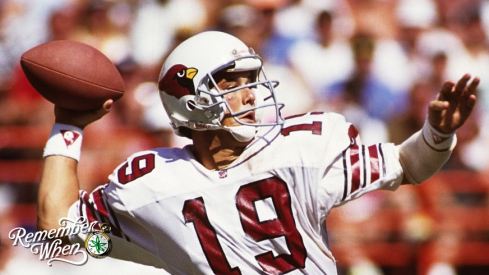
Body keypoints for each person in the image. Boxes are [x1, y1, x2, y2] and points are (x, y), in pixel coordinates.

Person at [37, 31, 479, 274]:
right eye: (234, 85)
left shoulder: (302, 148)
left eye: (253, 81)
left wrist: (436, 133)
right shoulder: (148, 184)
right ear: (191, 101)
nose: (252, 96)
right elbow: (57, 231)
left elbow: (407, 164)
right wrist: (68, 126)